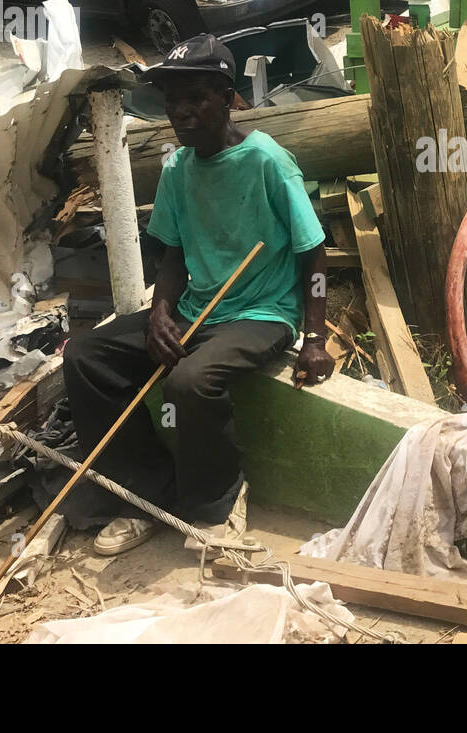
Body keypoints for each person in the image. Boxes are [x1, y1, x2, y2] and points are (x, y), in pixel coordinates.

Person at [61, 34, 333, 556]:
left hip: (262, 312)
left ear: (227, 96)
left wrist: (315, 337)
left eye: (195, 99)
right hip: (196, 309)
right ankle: (143, 496)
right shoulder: (177, 168)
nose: (180, 113)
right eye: (172, 102)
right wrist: (160, 310)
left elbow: (313, 252)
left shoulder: (267, 161)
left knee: (191, 381)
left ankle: (217, 505)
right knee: (85, 354)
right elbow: (174, 253)